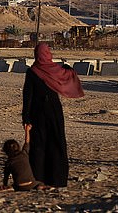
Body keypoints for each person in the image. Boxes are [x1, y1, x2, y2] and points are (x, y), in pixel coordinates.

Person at [22, 42, 84, 188]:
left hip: (37, 113)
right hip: (54, 112)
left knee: (38, 145)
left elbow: (27, 96)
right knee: (56, 143)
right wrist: (68, 68)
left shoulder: (32, 71)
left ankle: (38, 178)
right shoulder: (56, 70)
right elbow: (69, 74)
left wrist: (26, 117)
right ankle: (58, 179)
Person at [0, 124, 44, 191]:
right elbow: (27, 142)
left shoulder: (9, 162)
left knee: (14, 186)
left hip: (18, 186)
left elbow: (6, 177)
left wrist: (4, 185)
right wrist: (27, 130)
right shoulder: (24, 154)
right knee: (40, 183)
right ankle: (40, 187)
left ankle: (10, 188)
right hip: (31, 184)